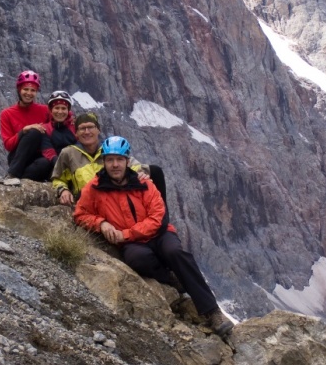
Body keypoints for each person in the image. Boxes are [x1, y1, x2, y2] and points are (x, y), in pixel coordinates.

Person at [73, 135, 234, 337]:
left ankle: (213, 312)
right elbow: (80, 214)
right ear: (103, 162)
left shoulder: (144, 184)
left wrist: (126, 234)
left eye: (119, 159)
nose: (115, 165)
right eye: (110, 160)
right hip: (132, 243)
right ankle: (171, 278)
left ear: (127, 161)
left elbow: (158, 217)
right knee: (137, 259)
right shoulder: (94, 188)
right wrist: (101, 223)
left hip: (157, 234)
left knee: (175, 252)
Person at [51, 112, 166, 208]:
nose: (87, 132)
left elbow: (128, 163)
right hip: (88, 199)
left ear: (98, 130)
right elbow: (58, 178)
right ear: (76, 133)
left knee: (155, 171)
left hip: (113, 195)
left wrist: (141, 172)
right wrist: (63, 190)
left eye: (90, 127)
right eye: (82, 128)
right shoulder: (69, 153)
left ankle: (162, 217)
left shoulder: (108, 148)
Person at [0, 70, 52, 180]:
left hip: (38, 157)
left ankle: (21, 179)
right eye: (25, 89)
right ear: (19, 90)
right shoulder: (7, 114)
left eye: (33, 90)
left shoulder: (45, 110)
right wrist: (23, 131)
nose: (29, 93)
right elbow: (8, 145)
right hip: (17, 158)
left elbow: (60, 116)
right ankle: (13, 174)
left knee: (45, 163)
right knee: (34, 132)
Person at [39, 90, 76, 164]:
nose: (60, 112)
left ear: (68, 110)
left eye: (63, 108)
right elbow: (48, 150)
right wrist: (60, 165)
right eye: (57, 108)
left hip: (74, 161)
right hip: (55, 164)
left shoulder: (75, 126)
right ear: (51, 110)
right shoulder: (45, 129)